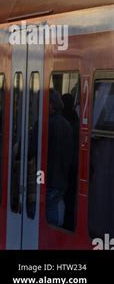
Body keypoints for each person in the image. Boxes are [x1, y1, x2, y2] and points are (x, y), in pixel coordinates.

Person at [46, 88, 74, 227]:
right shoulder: (67, 125)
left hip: (48, 178)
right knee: (56, 206)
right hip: (62, 179)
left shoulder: (46, 124)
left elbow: (33, 150)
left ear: (51, 104)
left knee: (49, 209)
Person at [61, 92, 80, 230]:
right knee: (71, 200)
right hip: (75, 167)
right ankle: (69, 223)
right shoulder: (76, 120)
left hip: (65, 168)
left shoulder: (63, 122)